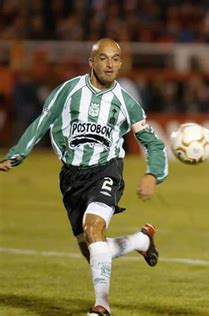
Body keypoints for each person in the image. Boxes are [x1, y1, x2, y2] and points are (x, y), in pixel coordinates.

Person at [0, 38, 168, 316]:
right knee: (92, 250)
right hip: (71, 177)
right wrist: (17, 154)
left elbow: (153, 142)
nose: (110, 64)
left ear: (121, 63)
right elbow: (42, 121)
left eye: (115, 58)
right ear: (91, 62)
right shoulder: (69, 90)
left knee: (93, 230)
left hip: (106, 171)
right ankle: (140, 241)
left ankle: (102, 306)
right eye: (103, 58)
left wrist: (153, 174)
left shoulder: (127, 102)